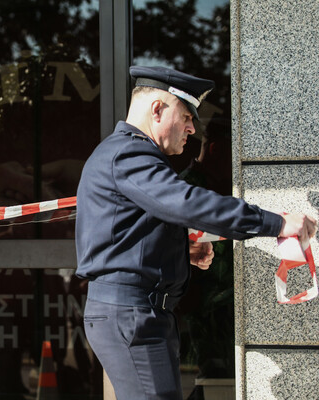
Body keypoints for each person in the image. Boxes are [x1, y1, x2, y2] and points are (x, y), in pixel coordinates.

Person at [75, 65, 317, 400]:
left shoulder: (125, 154)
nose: (192, 128)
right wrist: (276, 222)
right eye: (187, 115)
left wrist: (179, 251)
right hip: (133, 315)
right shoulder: (129, 154)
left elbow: (124, 236)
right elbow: (188, 203)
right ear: (157, 109)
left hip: (139, 313)